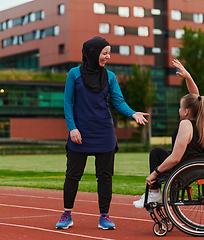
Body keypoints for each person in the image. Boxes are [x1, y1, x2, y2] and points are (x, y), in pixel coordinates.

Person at [56, 36, 149, 230]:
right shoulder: (74, 74)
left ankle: (104, 216)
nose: (108, 56)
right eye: (104, 53)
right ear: (92, 53)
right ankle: (67, 214)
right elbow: (67, 102)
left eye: (108, 53)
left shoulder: (110, 77)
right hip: (79, 133)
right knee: (72, 175)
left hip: (104, 132)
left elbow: (118, 101)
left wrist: (132, 113)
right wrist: (72, 127)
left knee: (105, 177)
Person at [133, 59, 204, 208]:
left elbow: (175, 158)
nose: (179, 110)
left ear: (186, 111)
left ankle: (155, 192)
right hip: (196, 165)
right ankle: (155, 193)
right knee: (160, 153)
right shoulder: (202, 122)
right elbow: (196, 99)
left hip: (185, 167)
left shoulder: (186, 124)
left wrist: (154, 173)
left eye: (180, 107)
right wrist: (188, 77)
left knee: (156, 153)